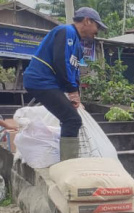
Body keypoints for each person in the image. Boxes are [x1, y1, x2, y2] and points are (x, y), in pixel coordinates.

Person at [22, 7, 106, 161]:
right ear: (87, 21)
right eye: (97, 26)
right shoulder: (66, 31)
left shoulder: (77, 45)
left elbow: (74, 71)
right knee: (72, 120)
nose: (98, 31)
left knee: (69, 118)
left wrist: (76, 97)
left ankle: (66, 159)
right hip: (41, 81)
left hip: (50, 84)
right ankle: (68, 164)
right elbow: (61, 62)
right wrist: (71, 91)